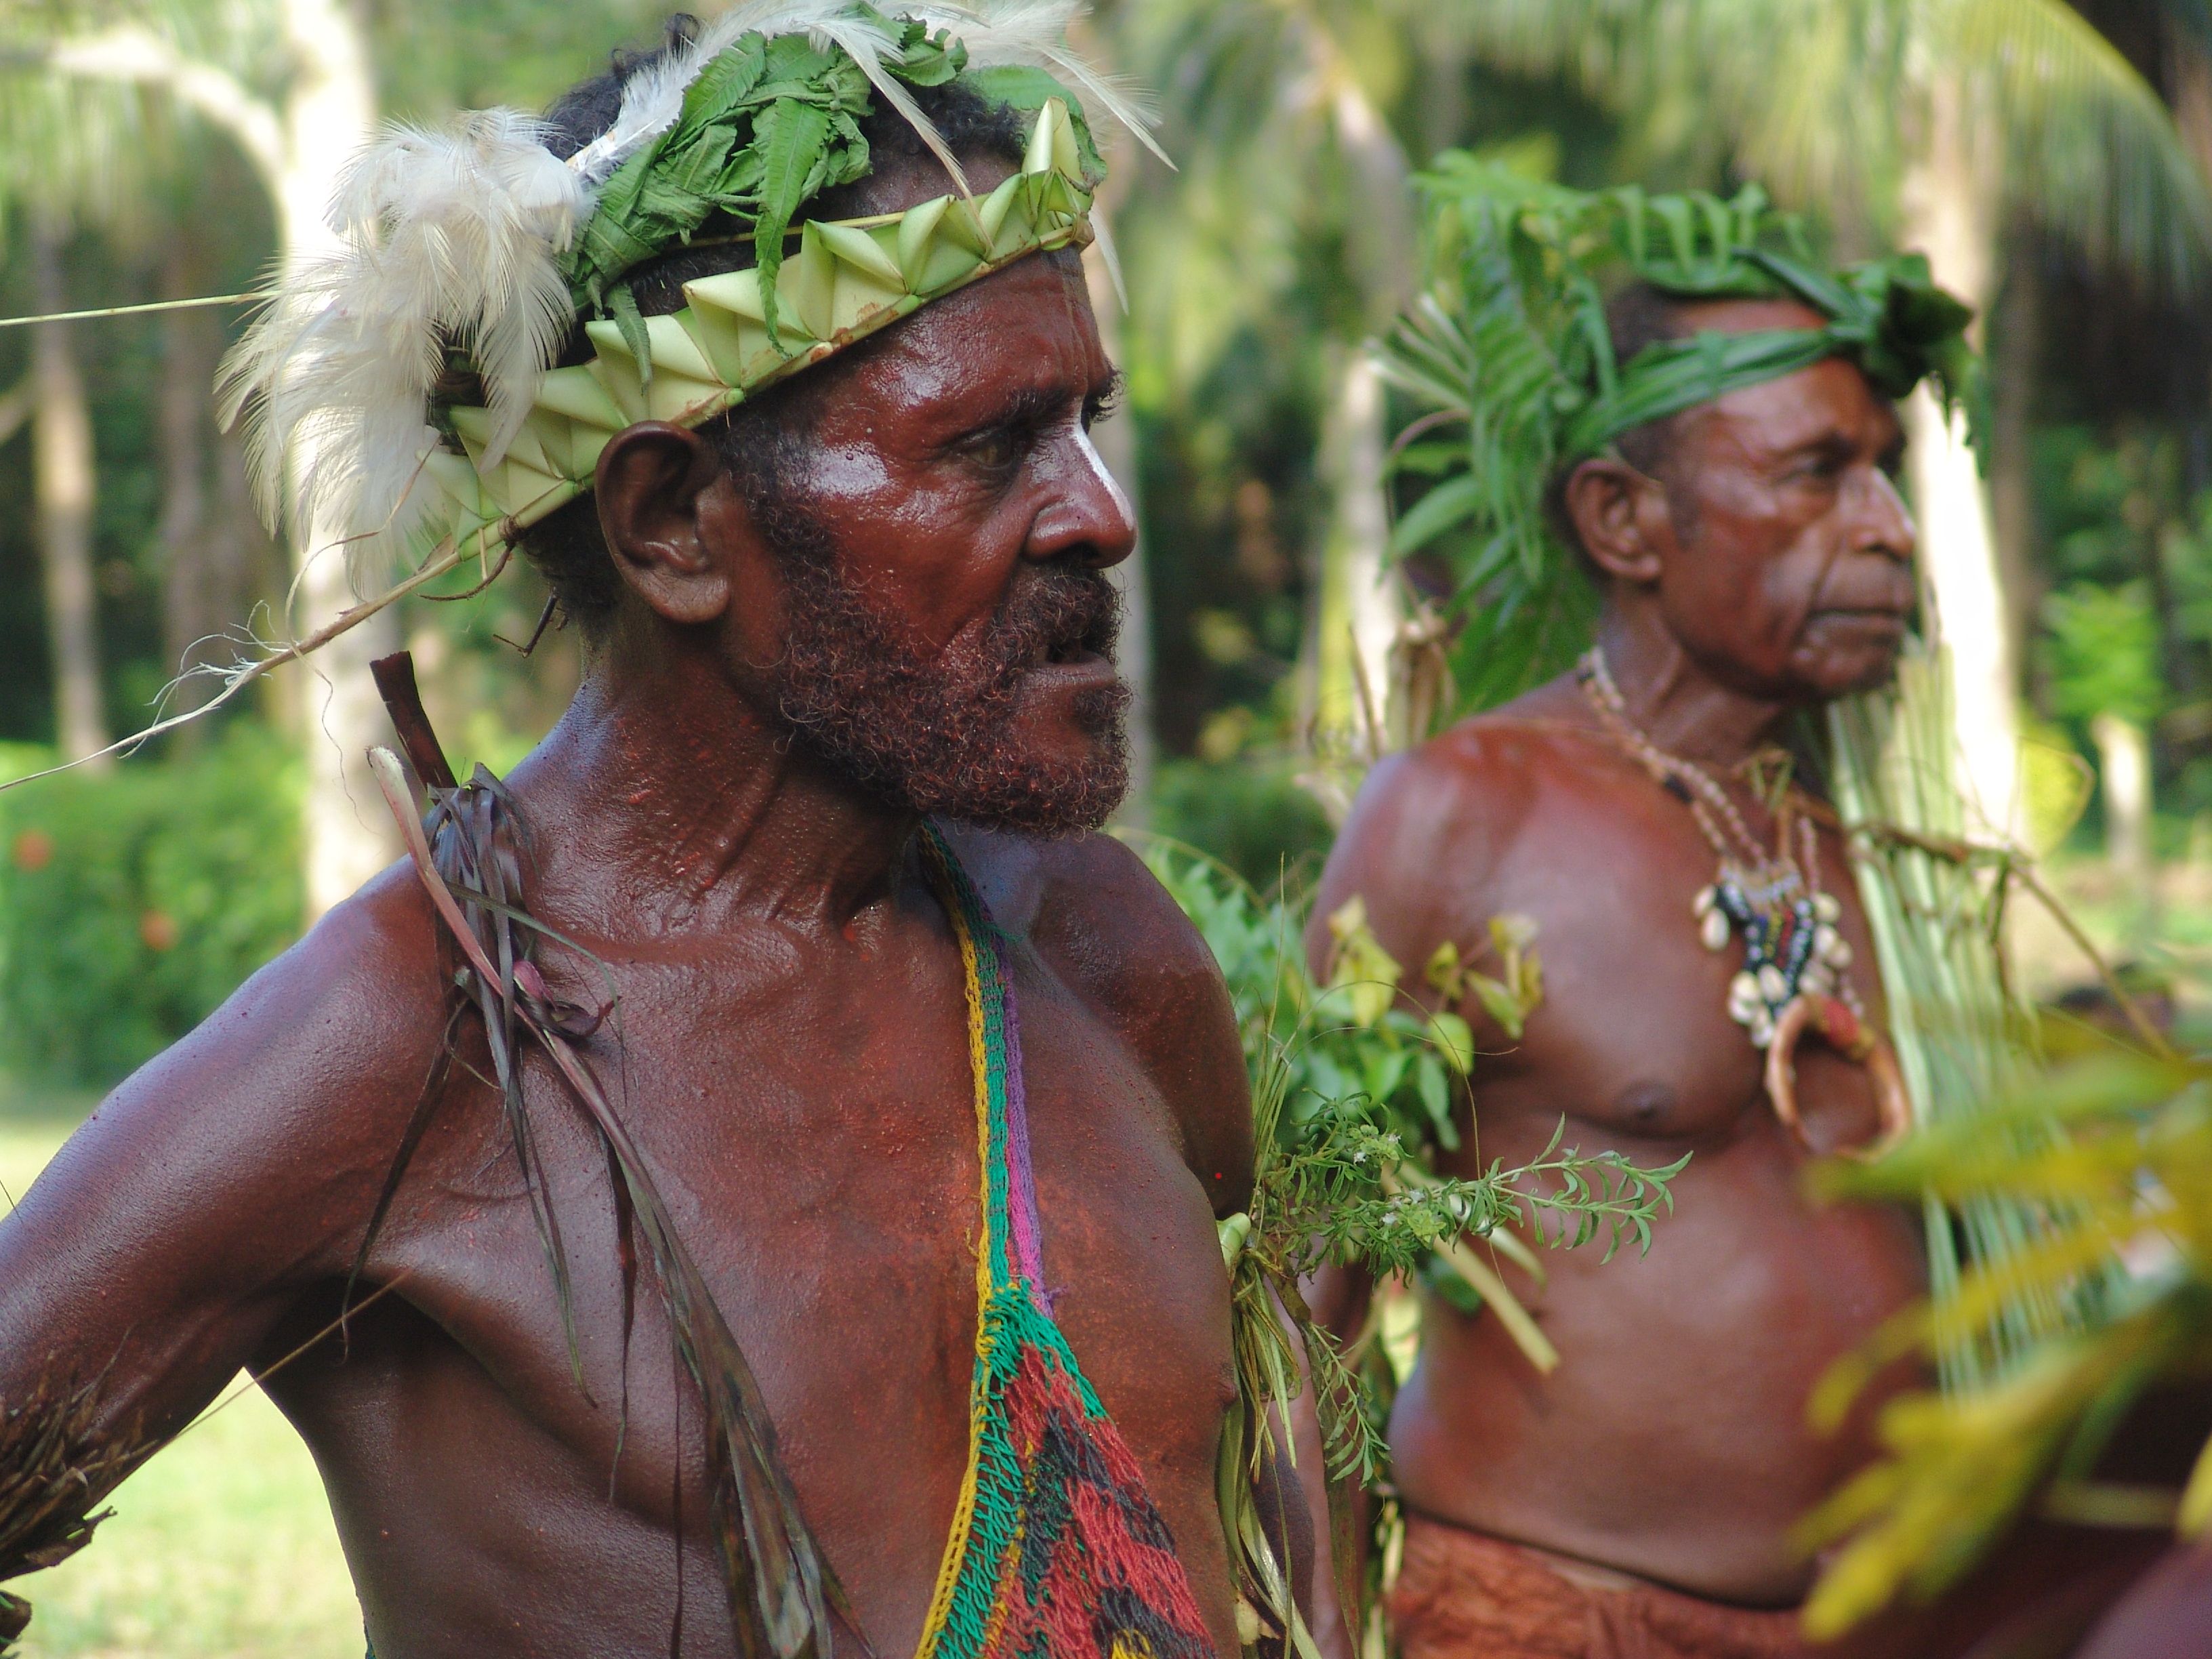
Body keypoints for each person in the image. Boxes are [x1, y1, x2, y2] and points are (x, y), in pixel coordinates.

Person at [0, 13, 1269, 1656]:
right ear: (674, 526)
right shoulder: (408, 1053)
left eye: (1087, 416)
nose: (1099, 511)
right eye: (991, 445)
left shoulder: (1103, 959)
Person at [1298, 173, 2003, 1659]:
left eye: (1883, 474)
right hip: (1556, 1616)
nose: (1886, 530)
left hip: (1904, 1615)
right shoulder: (1459, 816)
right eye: (1816, 474)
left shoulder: (1882, 841)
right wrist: (1304, 1621)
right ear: (1625, 520)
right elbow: (1312, 1295)